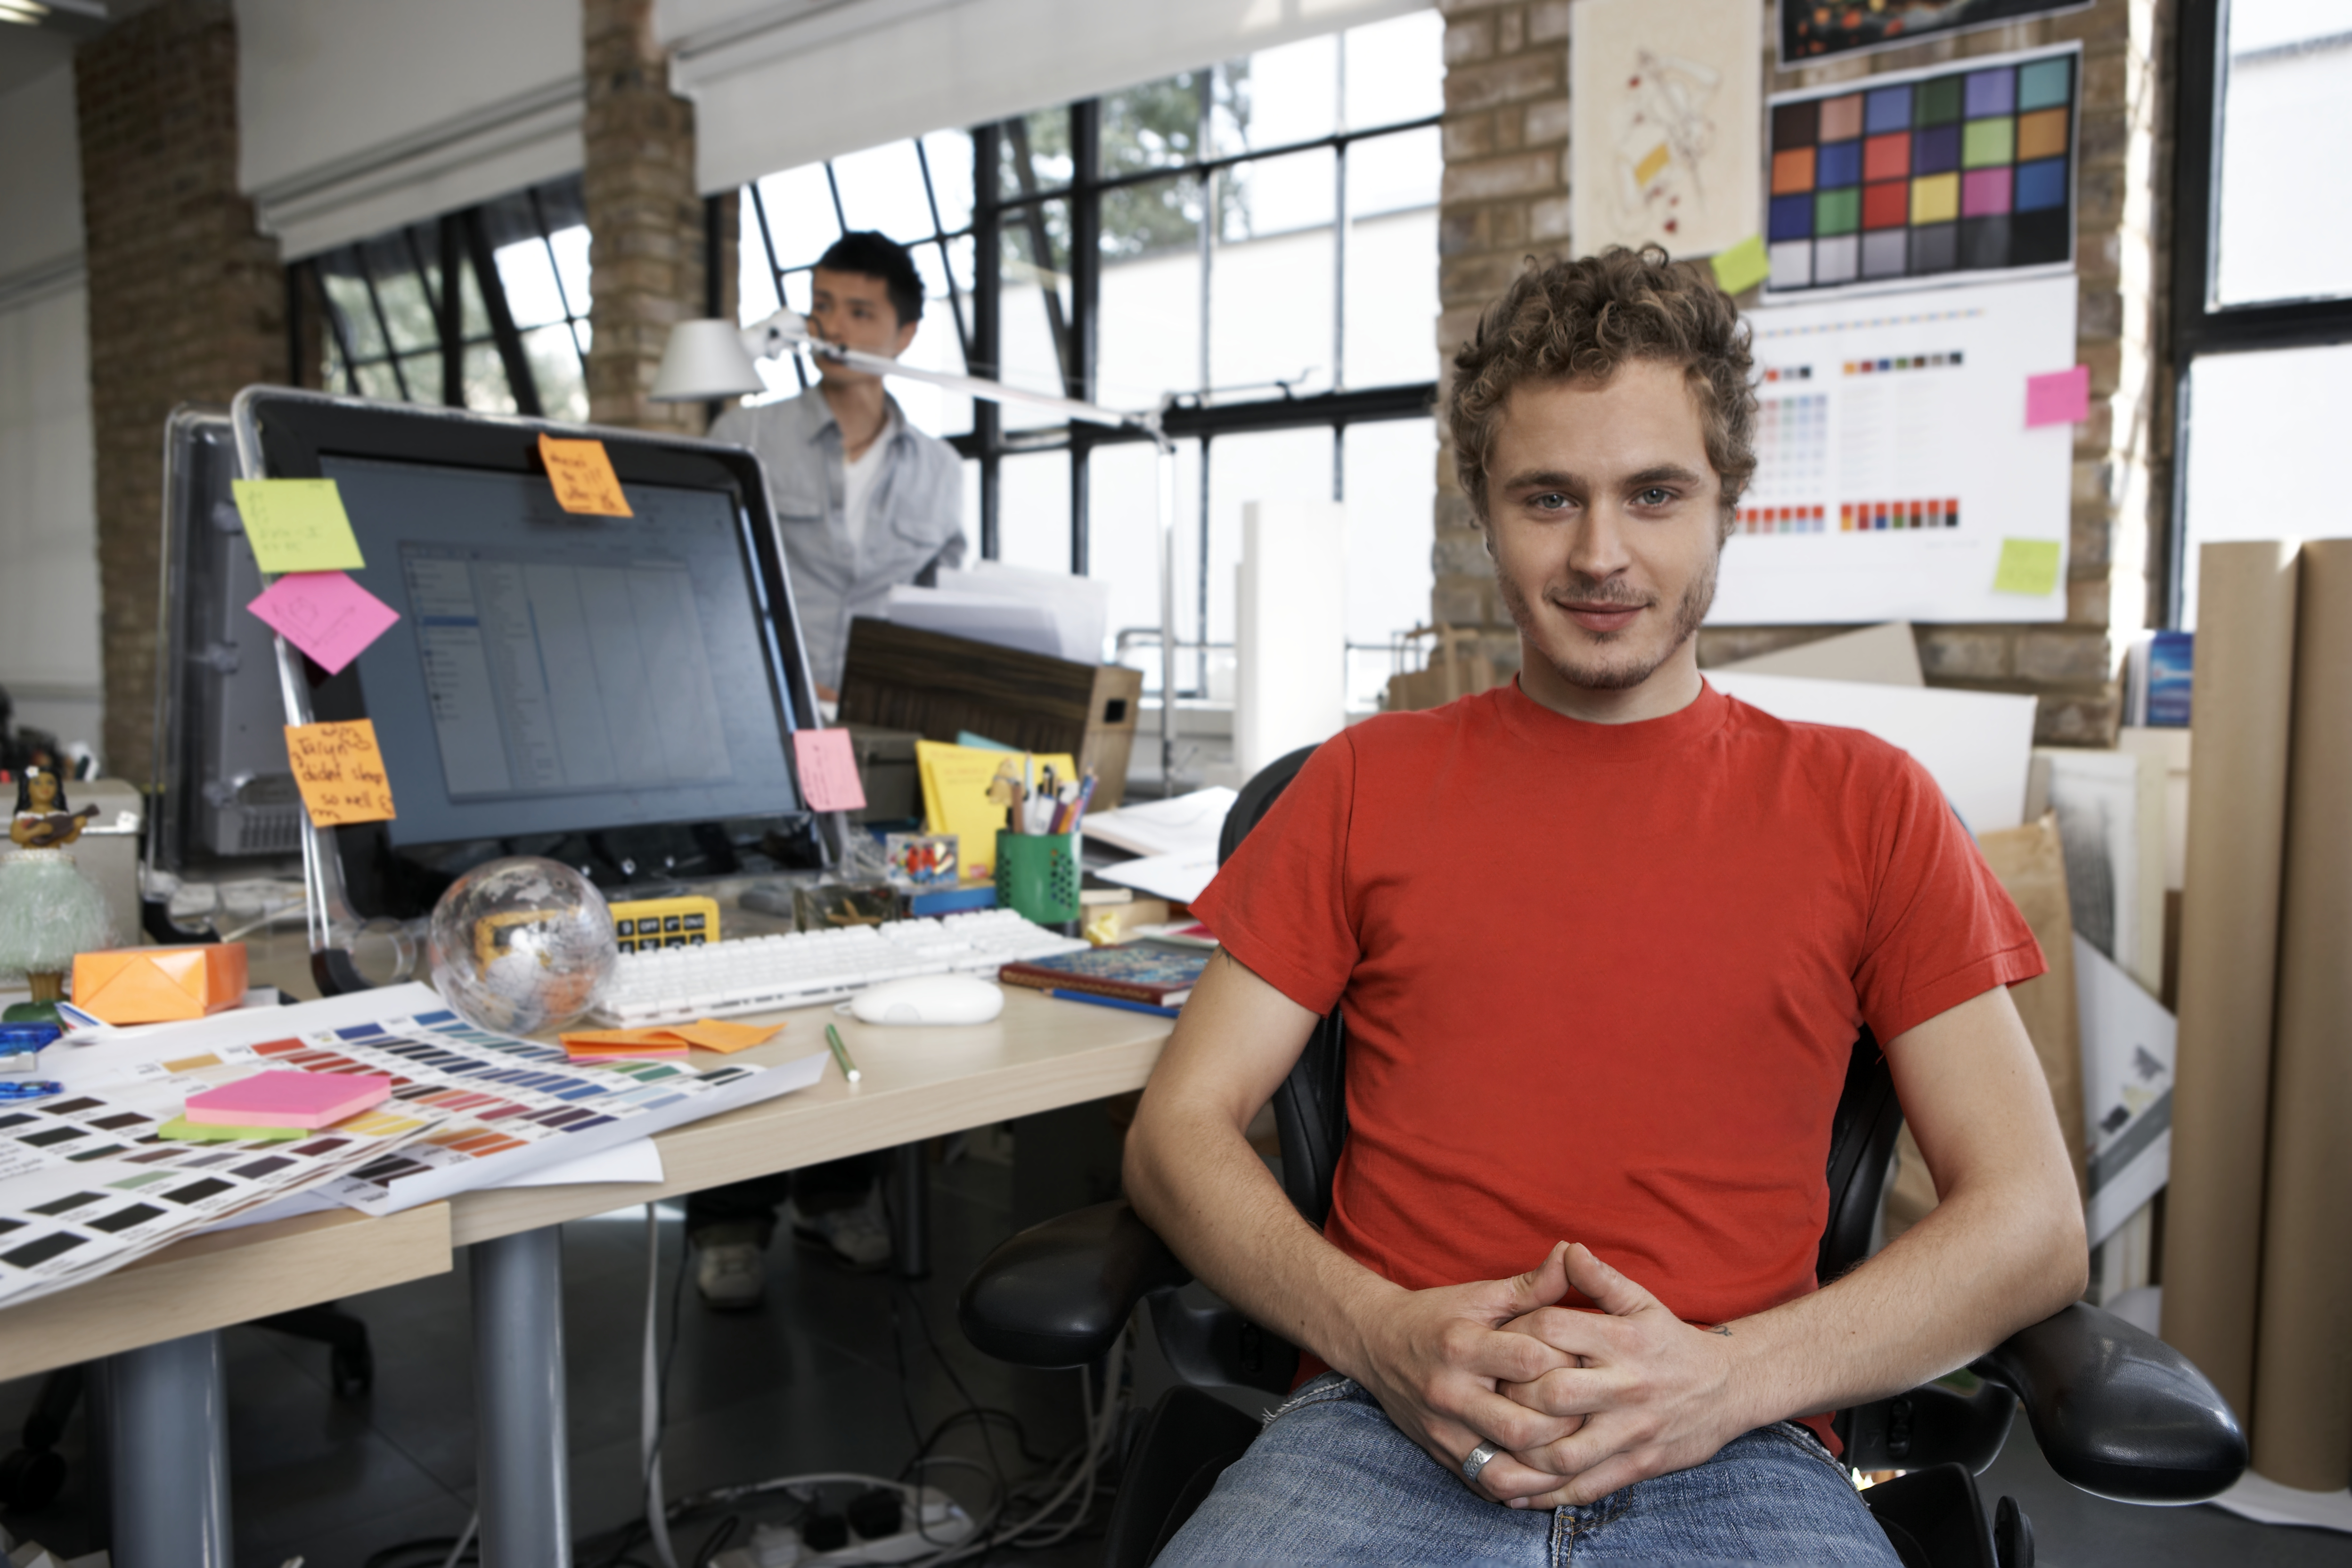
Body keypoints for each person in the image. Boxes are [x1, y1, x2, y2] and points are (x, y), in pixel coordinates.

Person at [1123, 246, 2087, 1565]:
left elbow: (2033, 1223)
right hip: (1379, 1426)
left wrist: (1727, 1382)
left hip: (1740, 1450)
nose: (1600, 554)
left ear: (1725, 502)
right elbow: (1177, 1128)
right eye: (1547, 498)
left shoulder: (1870, 806)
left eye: (1653, 493)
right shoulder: (1363, 783)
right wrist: (1375, 1332)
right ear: (1483, 509)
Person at [693, 232, 965, 1306]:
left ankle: (835, 1188)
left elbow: (946, 614)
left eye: (859, 312)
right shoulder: (747, 434)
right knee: (749, 966)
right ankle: (728, 1213)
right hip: (759, 736)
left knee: (860, 964)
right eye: (821, 308)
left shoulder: (939, 470)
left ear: (907, 332)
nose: (833, 331)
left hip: (874, 750)